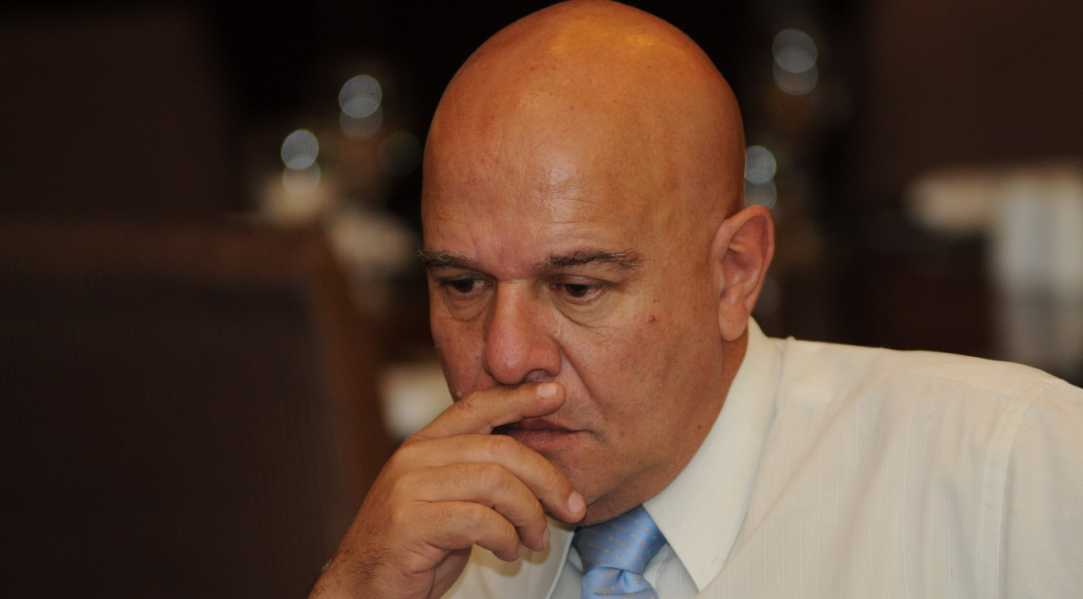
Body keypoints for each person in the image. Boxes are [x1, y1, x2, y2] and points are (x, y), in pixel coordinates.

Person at [310, 2, 1083, 597]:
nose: (505, 354)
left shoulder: (1007, 471)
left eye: (577, 287)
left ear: (734, 272)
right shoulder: (433, 556)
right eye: (463, 285)